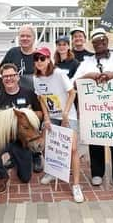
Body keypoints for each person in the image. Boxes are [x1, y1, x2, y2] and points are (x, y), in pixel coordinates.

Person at [72, 28, 113, 193]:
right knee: (96, 140)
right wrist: (88, 76)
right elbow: (73, 84)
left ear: (107, 42)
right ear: (92, 45)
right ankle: (97, 173)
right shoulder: (86, 63)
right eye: (95, 42)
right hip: (94, 110)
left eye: (102, 40)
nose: (99, 43)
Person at [0, 63, 42, 193]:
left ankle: (16, 159)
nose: (9, 79)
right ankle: (2, 176)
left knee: (25, 178)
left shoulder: (29, 94)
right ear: (1, 79)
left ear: (17, 77)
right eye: (5, 76)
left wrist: (28, 115)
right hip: (3, 138)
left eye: (11, 75)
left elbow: (40, 113)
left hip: (22, 141)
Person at [33, 47, 84, 203]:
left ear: (49, 59)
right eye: (36, 59)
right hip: (52, 116)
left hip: (68, 115)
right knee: (47, 144)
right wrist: (47, 118)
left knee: (73, 148)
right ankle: (53, 171)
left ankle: (76, 185)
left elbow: (72, 92)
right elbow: (41, 99)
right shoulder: (36, 78)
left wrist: (66, 113)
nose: (39, 62)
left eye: (42, 58)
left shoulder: (59, 74)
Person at [0, 24, 44, 173]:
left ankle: (36, 155)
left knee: (34, 125)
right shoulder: (12, 52)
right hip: (15, 95)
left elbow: (45, 74)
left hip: (33, 97)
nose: (24, 38)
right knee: (16, 127)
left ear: (33, 38)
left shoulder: (38, 55)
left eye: (27, 36)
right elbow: (2, 68)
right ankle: (14, 156)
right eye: (22, 36)